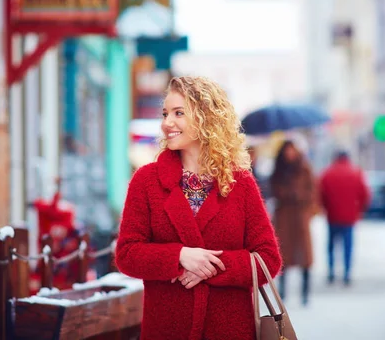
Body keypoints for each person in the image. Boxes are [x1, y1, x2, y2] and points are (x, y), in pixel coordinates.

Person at [115, 76, 282, 340]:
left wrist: (210, 266)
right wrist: (179, 257)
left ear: (206, 119)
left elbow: (268, 261)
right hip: (167, 330)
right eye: (165, 113)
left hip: (229, 330)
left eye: (178, 113)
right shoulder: (146, 181)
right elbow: (127, 254)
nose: (167, 123)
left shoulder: (240, 183)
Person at [270, 140, 317, 305]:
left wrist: (300, 197)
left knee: (304, 255)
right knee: (284, 255)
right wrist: (287, 192)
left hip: (300, 217)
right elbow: (274, 189)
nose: (289, 154)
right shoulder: (279, 171)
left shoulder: (304, 168)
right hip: (284, 217)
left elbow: (312, 191)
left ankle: (305, 293)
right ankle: (282, 293)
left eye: (291, 150)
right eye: (286, 151)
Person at [319, 150, 370, 285]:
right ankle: (347, 273)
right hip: (349, 217)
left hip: (332, 216)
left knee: (331, 246)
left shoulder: (327, 173)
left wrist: (326, 208)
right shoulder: (356, 173)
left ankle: (331, 271)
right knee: (348, 246)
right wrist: (359, 210)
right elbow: (365, 194)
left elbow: (320, 194)